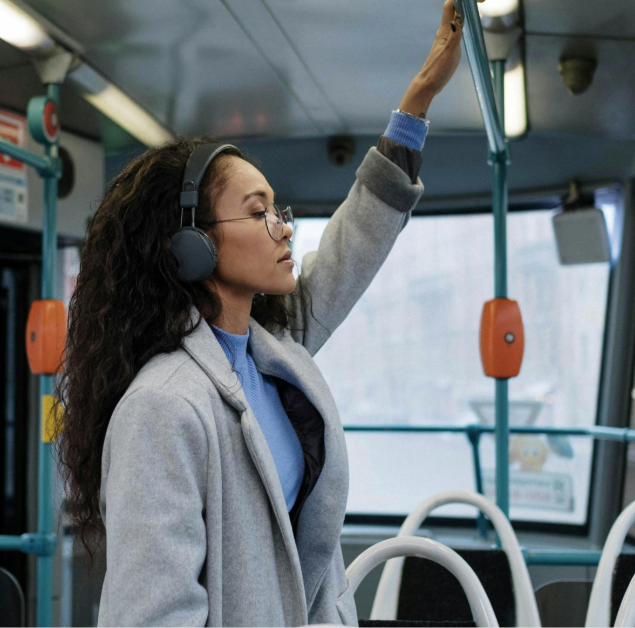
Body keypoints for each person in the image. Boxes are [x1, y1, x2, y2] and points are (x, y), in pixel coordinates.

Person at [58, 2, 470, 624]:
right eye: (258, 213)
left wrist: (418, 100)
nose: (283, 229)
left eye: (278, 211)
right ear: (192, 243)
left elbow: (351, 249)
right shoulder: (163, 407)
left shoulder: (271, 353)